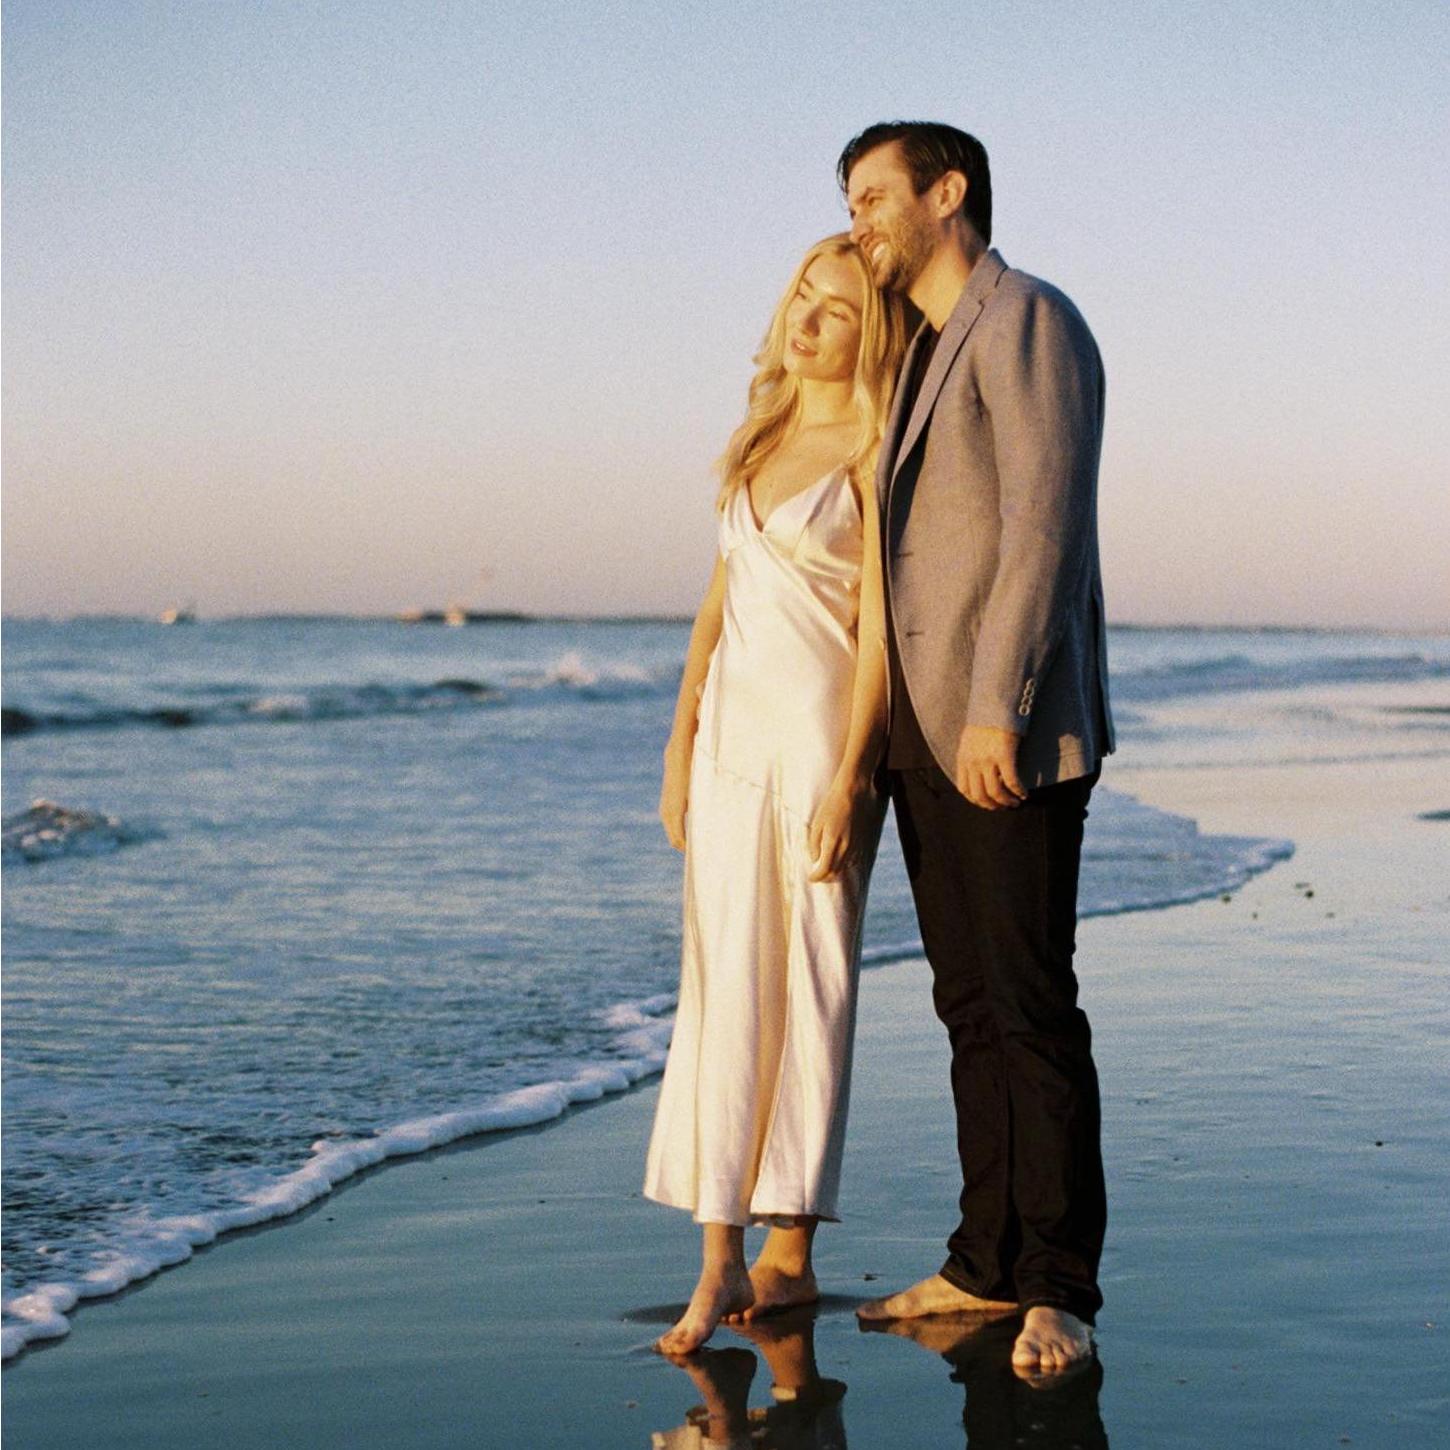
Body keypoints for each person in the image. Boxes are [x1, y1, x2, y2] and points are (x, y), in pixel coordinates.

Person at [837, 121, 1115, 1374]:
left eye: (873, 196)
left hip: (1000, 725)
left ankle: (1058, 1285)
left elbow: (1042, 526)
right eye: (851, 201)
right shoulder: (919, 352)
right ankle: (982, 1262)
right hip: (923, 731)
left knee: (1028, 1001)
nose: (858, 221)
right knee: (967, 1008)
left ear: (947, 192)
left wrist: (998, 702)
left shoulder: (1027, 319)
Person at [644, 233, 909, 1355]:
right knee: (721, 984)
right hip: (727, 750)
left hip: (816, 748)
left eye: (835, 309)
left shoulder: (879, 446)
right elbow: (717, 604)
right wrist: (679, 740)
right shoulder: (759, 436)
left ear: (870, 332)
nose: (806, 321)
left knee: (807, 986)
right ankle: (719, 1253)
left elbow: (880, 636)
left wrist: (853, 776)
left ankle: (781, 1257)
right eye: (802, 296)